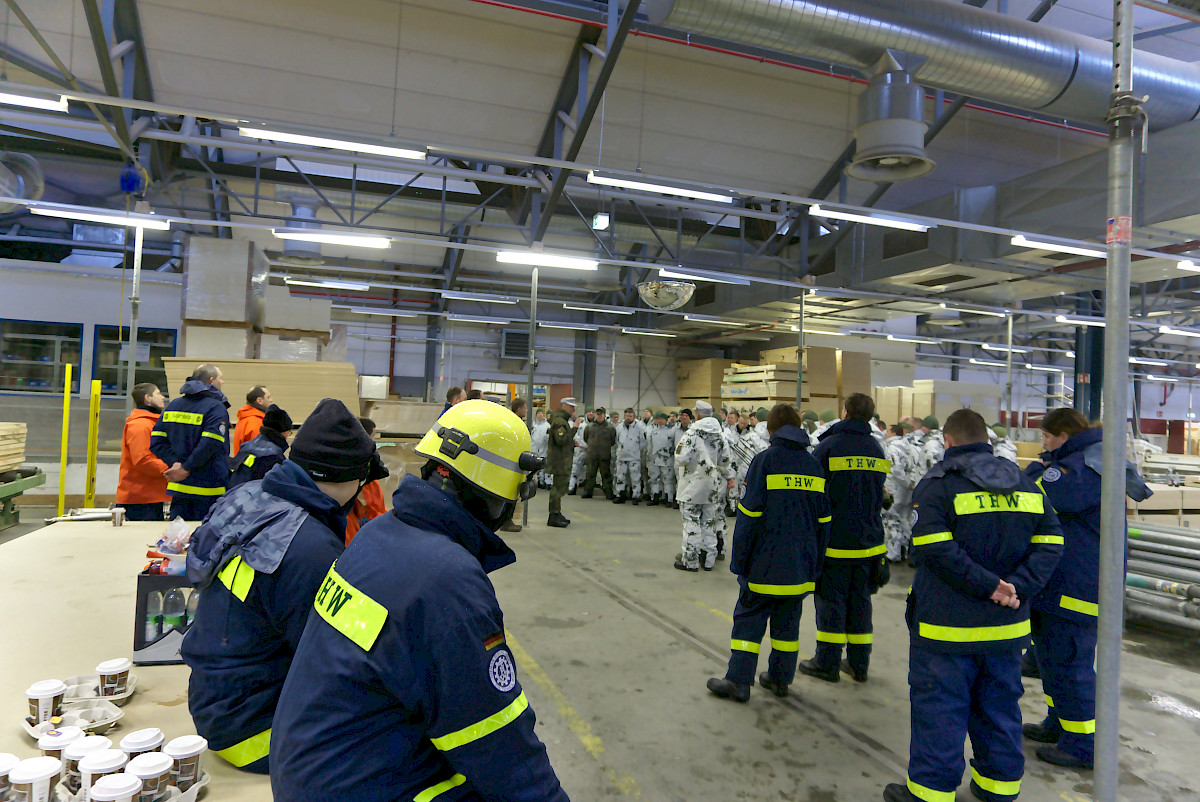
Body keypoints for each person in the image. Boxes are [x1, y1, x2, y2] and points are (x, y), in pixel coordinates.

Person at [268, 400, 568, 801]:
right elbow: (499, 741)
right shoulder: (448, 579)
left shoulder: (377, 534)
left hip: (310, 771)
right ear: (500, 493)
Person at [182, 399, 385, 774]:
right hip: (257, 728)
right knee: (399, 736)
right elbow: (337, 656)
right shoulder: (308, 545)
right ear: (352, 477)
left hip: (216, 700)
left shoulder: (251, 496)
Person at [882, 409, 1063, 802]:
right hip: (1008, 629)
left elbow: (934, 550)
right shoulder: (1026, 484)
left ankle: (930, 793)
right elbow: (1052, 541)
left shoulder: (939, 485)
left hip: (948, 629)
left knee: (941, 710)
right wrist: (1016, 586)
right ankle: (998, 788)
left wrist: (989, 586)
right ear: (987, 438)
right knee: (999, 709)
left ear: (947, 441)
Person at [1020, 409, 1150, 771]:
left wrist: (1037, 470)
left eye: (1046, 437)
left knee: (1070, 663)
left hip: (1080, 586)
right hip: (1060, 580)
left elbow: (1038, 492)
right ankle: (1059, 723)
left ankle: (1083, 745)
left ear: (1063, 434)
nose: (1043, 444)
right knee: (1050, 659)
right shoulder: (1080, 460)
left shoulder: (1086, 466)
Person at [707, 404, 831, 702]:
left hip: (764, 564)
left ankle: (739, 680)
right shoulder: (814, 465)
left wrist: (740, 562)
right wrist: (816, 564)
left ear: (771, 429)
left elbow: (748, 517)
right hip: (800, 566)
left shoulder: (765, 461)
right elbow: (824, 522)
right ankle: (780, 679)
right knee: (788, 624)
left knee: (749, 621)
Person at [799, 393, 889, 684]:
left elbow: (812, 494)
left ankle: (827, 662)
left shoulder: (828, 447)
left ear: (846, 412)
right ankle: (859, 664)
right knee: (861, 602)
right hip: (870, 542)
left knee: (831, 603)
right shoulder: (877, 449)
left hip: (836, 542)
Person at [151, 364, 231, 521]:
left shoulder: (174, 405)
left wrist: (175, 464)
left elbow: (156, 441)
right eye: (221, 378)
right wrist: (186, 468)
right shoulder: (216, 408)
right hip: (208, 488)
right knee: (203, 539)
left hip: (179, 488)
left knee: (177, 539)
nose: (223, 382)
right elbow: (210, 444)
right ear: (211, 380)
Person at [674, 400, 736, 572]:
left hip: (692, 486)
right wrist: (729, 477)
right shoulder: (720, 435)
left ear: (697, 414)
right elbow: (725, 461)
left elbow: (680, 458)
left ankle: (691, 561)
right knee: (709, 522)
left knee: (691, 522)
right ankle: (709, 560)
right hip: (712, 486)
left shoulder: (691, 434)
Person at [117, 382, 170, 522]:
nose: (163, 397)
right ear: (148, 398)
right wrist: (171, 469)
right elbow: (143, 460)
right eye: (158, 393)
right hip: (140, 499)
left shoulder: (151, 423)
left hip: (148, 496)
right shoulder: (140, 425)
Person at [345, 417, 389, 545]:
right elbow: (370, 508)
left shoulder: (365, 470)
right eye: (373, 436)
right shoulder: (363, 473)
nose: (374, 440)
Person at [228, 405, 293, 490]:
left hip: (232, 496)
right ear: (284, 432)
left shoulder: (248, 445)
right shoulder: (274, 456)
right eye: (289, 432)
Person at [883, 421, 920, 562]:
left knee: (891, 520)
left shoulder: (891, 448)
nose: (886, 433)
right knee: (905, 520)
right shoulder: (909, 446)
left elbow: (895, 469)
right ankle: (905, 551)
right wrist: (911, 484)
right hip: (907, 491)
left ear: (893, 433)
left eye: (888, 431)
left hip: (895, 489)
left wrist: (907, 484)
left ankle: (893, 554)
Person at [726, 412, 768, 516]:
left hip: (745, 472)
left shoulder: (749, 437)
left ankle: (735, 508)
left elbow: (737, 458)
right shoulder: (773, 435)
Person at [545, 398, 576, 528]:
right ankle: (553, 515)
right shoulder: (560, 421)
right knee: (557, 489)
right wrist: (574, 429)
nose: (573, 410)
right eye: (571, 407)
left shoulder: (562, 420)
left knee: (559, 488)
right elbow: (561, 440)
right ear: (564, 406)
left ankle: (557, 513)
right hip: (560, 461)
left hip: (561, 460)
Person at [581, 407, 616, 500]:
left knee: (606, 475)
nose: (599, 416)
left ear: (604, 415)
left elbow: (613, 440)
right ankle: (588, 492)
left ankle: (608, 492)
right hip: (592, 455)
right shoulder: (590, 426)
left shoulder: (610, 428)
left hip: (604, 455)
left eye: (601, 414)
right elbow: (585, 438)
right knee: (590, 474)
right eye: (598, 414)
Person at [613, 408, 645, 505]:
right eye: (627, 416)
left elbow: (643, 442)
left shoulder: (639, 427)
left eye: (630, 416)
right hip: (621, 456)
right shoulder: (619, 427)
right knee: (620, 477)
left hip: (634, 456)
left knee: (635, 477)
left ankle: (635, 496)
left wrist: (635, 449)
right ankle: (620, 494)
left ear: (634, 416)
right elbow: (616, 440)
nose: (628, 418)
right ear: (624, 416)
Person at [646, 412, 675, 507]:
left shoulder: (671, 431)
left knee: (667, 479)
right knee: (654, 479)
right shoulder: (653, 431)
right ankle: (655, 497)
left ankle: (668, 498)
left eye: (662, 419)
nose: (660, 421)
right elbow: (649, 445)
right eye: (659, 419)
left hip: (666, 459)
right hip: (654, 459)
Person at [233, 386, 272, 455]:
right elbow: (260, 452)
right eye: (268, 397)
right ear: (259, 400)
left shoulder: (245, 418)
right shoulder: (256, 423)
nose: (271, 400)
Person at [568, 413, 589, 495]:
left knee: (590, 471)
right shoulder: (580, 423)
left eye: (592, 412)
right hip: (580, 449)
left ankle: (587, 489)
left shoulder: (595, 424)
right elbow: (575, 435)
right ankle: (571, 487)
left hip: (592, 451)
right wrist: (582, 445)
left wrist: (590, 446)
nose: (591, 413)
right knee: (575, 470)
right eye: (589, 412)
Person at [531, 408, 550, 488]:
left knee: (542, 464)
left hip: (543, 448)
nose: (540, 415)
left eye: (542, 413)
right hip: (534, 447)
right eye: (539, 413)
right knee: (533, 465)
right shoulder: (532, 424)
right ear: (536, 415)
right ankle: (533, 481)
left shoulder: (547, 425)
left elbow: (549, 436)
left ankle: (541, 481)